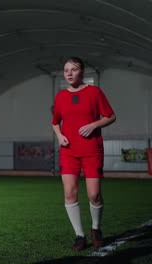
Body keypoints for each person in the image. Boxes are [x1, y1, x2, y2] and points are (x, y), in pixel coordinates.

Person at [52, 57, 116, 251]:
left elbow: (111, 116)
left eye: (73, 69)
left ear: (82, 73)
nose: (69, 73)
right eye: (66, 70)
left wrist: (94, 124)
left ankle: (96, 229)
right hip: (69, 151)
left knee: (94, 194)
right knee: (69, 193)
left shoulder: (94, 92)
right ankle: (79, 235)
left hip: (91, 150)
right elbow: (55, 122)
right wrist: (59, 136)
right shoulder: (61, 96)